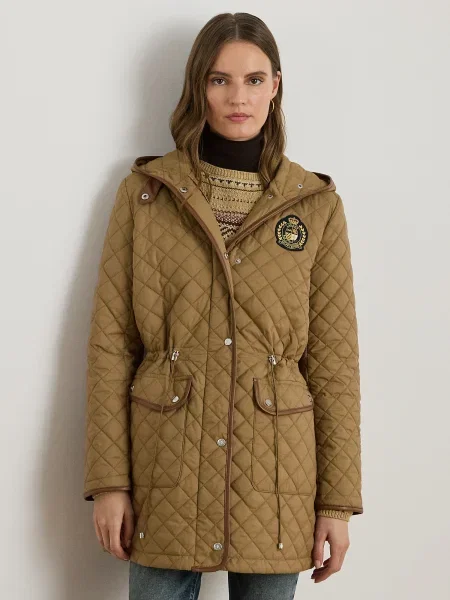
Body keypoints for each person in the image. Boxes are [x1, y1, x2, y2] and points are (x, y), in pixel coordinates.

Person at [83, 11, 363, 600]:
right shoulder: (145, 195)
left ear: (276, 86)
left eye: (254, 80)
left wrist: (336, 502)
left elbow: (334, 364)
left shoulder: (315, 206)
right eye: (220, 80)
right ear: (198, 87)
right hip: (166, 468)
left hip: (278, 478)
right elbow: (111, 344)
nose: (239, 97)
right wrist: (109, 482)